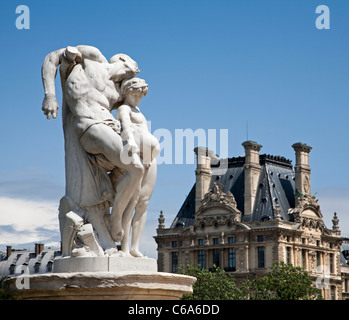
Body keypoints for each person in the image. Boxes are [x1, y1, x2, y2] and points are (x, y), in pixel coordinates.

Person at [41, 45, 146, 245]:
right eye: (135, 66)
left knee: (137, 169)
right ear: (122, 58)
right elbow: (51, 58)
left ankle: (113, 217)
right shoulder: (93, 57)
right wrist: (50, 94)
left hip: (107, 126)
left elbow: (131, 110)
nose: (136, 70)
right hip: (89, 125)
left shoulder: (117, 91)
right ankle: (115, 221)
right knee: (136, 168)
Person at [115, 77, 160, 257]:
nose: (138, 98)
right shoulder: (123, 108)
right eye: (135, 94)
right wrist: (132, 142)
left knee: (143, 204)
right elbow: (125, 126)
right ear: (126, 92)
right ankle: (125, 248)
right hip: (134, 155)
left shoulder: (138, 110)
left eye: (141, 95)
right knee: (130, 203)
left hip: (149, 158)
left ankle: (135, 247)